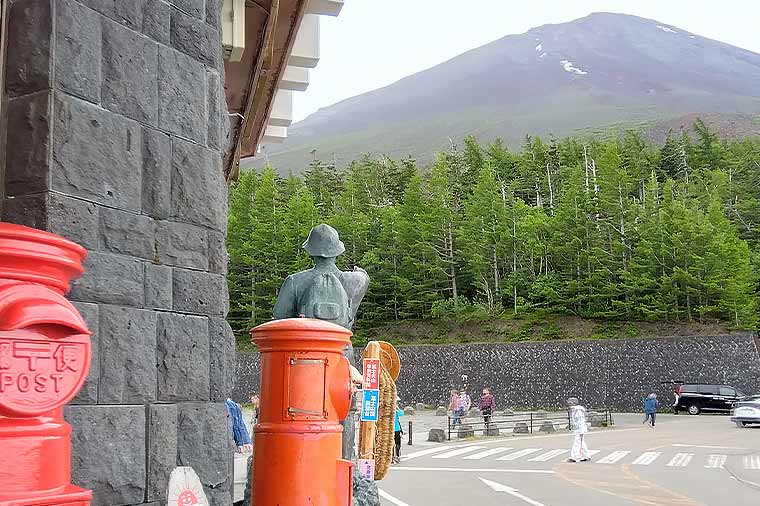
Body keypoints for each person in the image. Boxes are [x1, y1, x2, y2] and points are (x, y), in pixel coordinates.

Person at [273, 224, 369, 461]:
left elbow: (279, 319)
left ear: (312, 252)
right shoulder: (353, 282)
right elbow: (363, 278)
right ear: (337, 252)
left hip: (305, 360)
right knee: (344, 411)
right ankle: (344, 464)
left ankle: (305, 463)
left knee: (304, 414)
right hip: (342, 355)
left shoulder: (295, 282)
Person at [566, 397, 591, 463]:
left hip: (580, 429)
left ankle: (575, 457)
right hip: (579, 429)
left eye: (570, 403)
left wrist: (580, 430)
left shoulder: (577, 410)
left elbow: (580, 421)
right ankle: (586, 456)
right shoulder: (575, 410)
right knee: (581, 442)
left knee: (577, 442)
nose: (569, 404)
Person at [393, 396, 404, 464]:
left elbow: (401, 413)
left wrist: (397, 408)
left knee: (397, 443)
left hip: (396, 429)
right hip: (392, 429)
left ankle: (396, 455)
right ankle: (394, 456)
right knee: (394, 443)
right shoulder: (391, 409)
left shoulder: (396, 410)